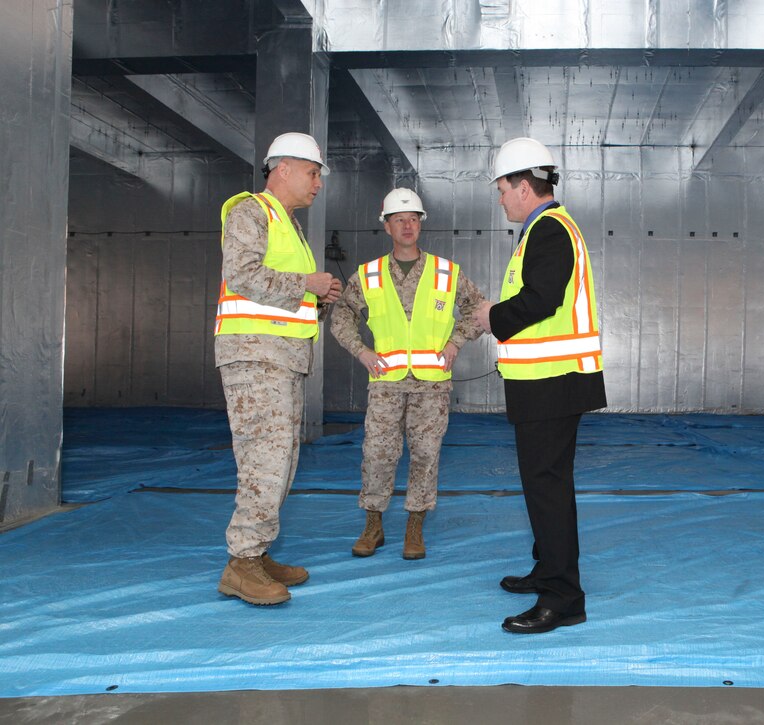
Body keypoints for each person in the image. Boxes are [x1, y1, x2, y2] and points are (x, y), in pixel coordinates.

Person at [474, 138, 606, 634]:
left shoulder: (549, 230)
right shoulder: (545, 229)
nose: (501, 198)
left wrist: (492, 316)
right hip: (547, 382)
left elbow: (542, 299)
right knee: (546, 485)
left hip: (553, 382)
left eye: (502, 189)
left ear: (524, 187)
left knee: (547, 488)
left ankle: (563, 598)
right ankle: (548, 569)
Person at [214, 131, 342, 606]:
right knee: (263, 462)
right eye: (313, 173)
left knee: (281, 462)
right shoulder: (251, 211)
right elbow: (242, 274)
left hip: (282, 358)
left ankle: (258, 550)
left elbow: (286, 294)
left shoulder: (289, 224)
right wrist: (307, 283)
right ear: (283, 170)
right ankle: (241, 562)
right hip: (255, 357)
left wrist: (318, 296)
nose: (318, 184)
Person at [331, 188, 484, 560]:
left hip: (432, 384)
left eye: (413, 219)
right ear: (386, 226)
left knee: (426, 455)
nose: (407, 226)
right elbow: (341, 316)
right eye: (399, 219)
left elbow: (478, 309)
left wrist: (456, 341)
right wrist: (361, 351)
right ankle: (373, 525)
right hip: (386, 382)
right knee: (377, 453)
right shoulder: (368, 275)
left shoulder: (447, 272)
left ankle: (415, 527)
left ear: (421, 224)